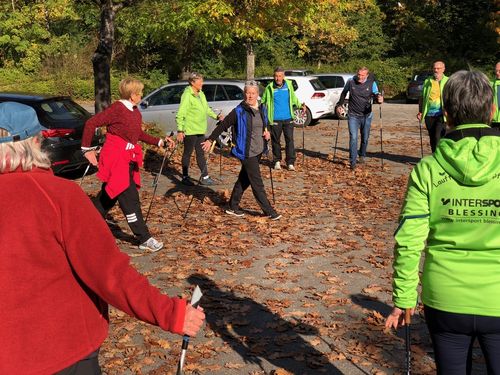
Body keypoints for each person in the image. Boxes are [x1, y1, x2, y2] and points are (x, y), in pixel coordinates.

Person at [0, 101, 205, 375]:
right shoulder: (59, 197)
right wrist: (172, 313)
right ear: (36, 141)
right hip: (63, 351)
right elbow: (109, 273)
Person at [385, 71, 500, 374]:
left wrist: (404, 297)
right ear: (493, 110)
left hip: (446, 297)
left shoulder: (428, 169)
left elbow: (409, 240)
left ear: (446, 114)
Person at [81, 77, 173, 252]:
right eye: (140, 93)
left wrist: (159, 142)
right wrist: (86, 149)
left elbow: (137, 133)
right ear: (132, 95)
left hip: (128, 158)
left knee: (108, 196)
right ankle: (144, 238)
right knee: (130, 198)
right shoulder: (117, 109)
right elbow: (91, 123)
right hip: (116, 159)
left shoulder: (134, 110)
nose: (142, 95)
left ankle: (85, 223)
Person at [201, 81, 281, 221]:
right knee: (257, 182)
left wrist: (266, 133)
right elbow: (223, 125)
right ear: (244, 94)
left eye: (253, 93)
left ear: (257, 94)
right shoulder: (239, 111)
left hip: (258, 150)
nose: (250, 96)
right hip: (245, 151)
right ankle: (269, 211)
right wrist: (210, 139)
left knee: (244, 179)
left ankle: (232, 206)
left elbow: (265, 125)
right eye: (247, 93)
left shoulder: (262, 108)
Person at [176, 72, 223, 186]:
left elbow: (206, 109)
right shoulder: (187, 95)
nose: (202, 83)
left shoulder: (200, 93)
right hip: (190, 130)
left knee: (200, 154)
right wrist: (180, 130)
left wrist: (216, 116)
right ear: (192, 82)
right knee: (187, 153)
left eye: (202, 80)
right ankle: (185, 177)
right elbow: (181, 113)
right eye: (200, 81)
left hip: (201, 130)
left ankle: (205, 177)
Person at [335, 67, 383, 170]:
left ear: (367, 75)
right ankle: (352, 161)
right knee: (353, 137)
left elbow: (376, 95)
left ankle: (362, 154)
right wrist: (339, 105)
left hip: (366, 115)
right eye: (358, 74)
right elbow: (344, 93)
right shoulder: (351, 81)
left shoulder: (372, 83)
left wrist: (379, 99)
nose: (359, 77)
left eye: (362, 75)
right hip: (353, 115)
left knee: (365, 138)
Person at [261, 67, 305, 171]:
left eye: (279, 76)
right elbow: (263, 102)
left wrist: (300, 105)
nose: (277, 78)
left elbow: (293, 98)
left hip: (288, 118)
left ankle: (290, 162)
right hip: (275, 119)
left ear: (283, 76)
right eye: (276, 76)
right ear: (274, 76)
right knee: (276, 141)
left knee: (289, 140)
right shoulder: (269, 87)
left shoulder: (289, 85)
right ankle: (277, 161)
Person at [417, 61, 449, 152]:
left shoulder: (448, 81)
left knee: (438, 137)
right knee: (432, 138)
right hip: (429, 115)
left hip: (442, 115)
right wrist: (420, 111)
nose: (436, 70)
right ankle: (435, 156)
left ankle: (440, 157)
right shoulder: (428, 81)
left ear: (443, 69)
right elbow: (422, 97)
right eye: (434, 68)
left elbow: (453, 97)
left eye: (438, 68)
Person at [492, 61, 500, 128]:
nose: (497, 73)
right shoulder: (490, 84)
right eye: (496, 71)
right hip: (493, 122)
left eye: (499, 71)